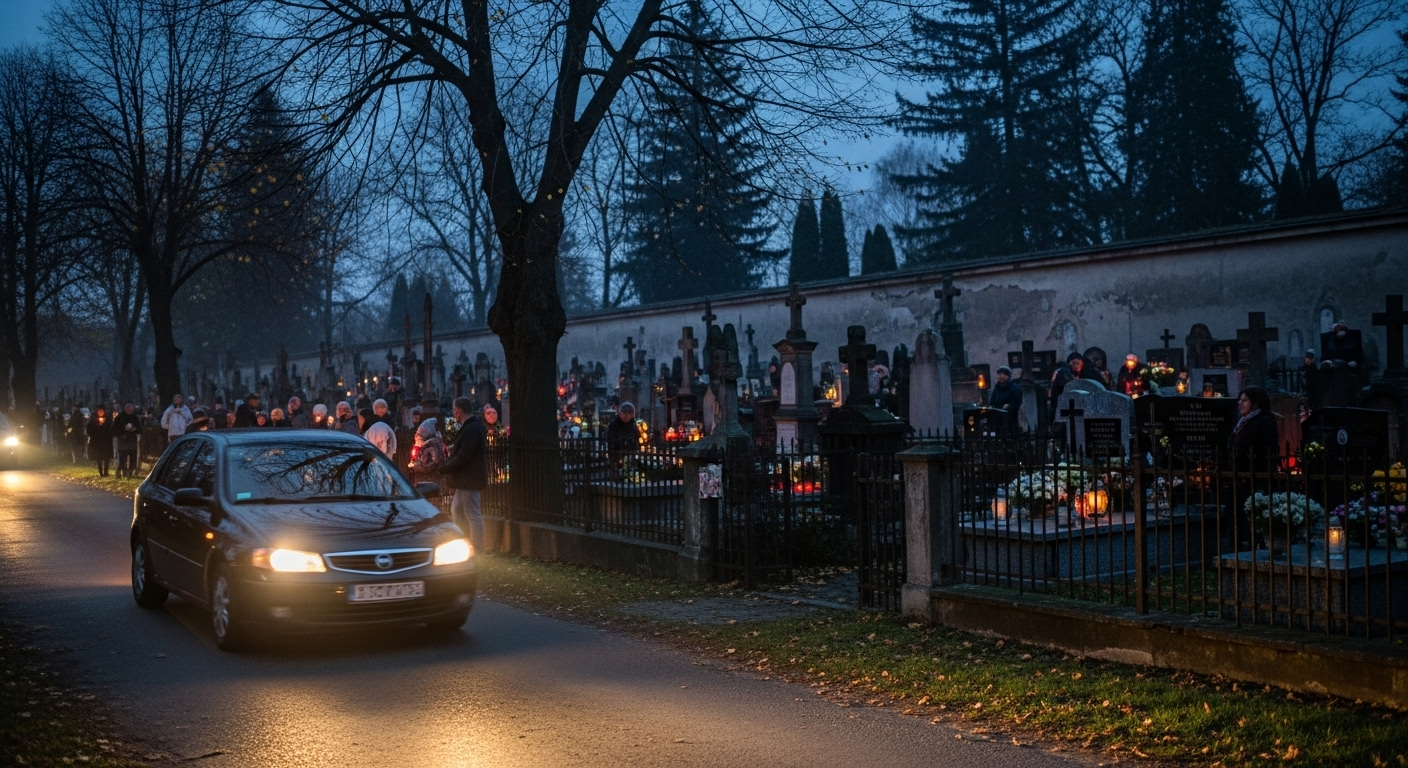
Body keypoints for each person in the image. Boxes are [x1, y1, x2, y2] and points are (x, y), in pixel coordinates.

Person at [438, 397, 487, 554]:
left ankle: (477, 548)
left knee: (472, 513)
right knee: (457, 510)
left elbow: (464, 455)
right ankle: (464, 542)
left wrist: (445, 467)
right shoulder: (470, 427)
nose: (454, 414)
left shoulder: (471, 429)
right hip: (465, 479)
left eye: (455, 411)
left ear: (458, 410)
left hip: (469, 479)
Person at [1230, 386, 1280, 471]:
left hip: (1256, 472)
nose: (1239, 403)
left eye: (1244, 400)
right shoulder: (1244, 421)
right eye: (1240, 399)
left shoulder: (1265, 421)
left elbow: (1267, 449)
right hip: (1242, 472)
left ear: (1255, 403)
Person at [987, 366, 1022, 431]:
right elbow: (993, 400)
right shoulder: (997, 387)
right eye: (999, 374)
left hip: (1010, 417)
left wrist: (1009, 406)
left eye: (1003, 374)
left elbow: (1017, 402)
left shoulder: (1015, 388)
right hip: (996, 417)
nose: (1001, 376)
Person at [114, 403, 142, 478]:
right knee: (122, 457)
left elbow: (139, 429)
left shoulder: (135, 417)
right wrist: (123, 430)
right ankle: (122, 471)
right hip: (123, 440)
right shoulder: (120, 417)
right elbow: (114, 429)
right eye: (127, 408)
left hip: (132, 440)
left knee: (133, 457)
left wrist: (134, 429)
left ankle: (130, 472)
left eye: (131, 408)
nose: (129, 410)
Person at [86, 406, 114, 477]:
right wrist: (97, 426)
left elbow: (111, 429)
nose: (100, 413)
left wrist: (104, 426)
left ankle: (106, 472)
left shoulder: (108, 420)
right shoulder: (92, 420)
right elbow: (89, 430)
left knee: (106, 457)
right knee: (99, 457)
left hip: (106, 441)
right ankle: (101, 472)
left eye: (102, 411)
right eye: (99, 411)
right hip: (96, 442)